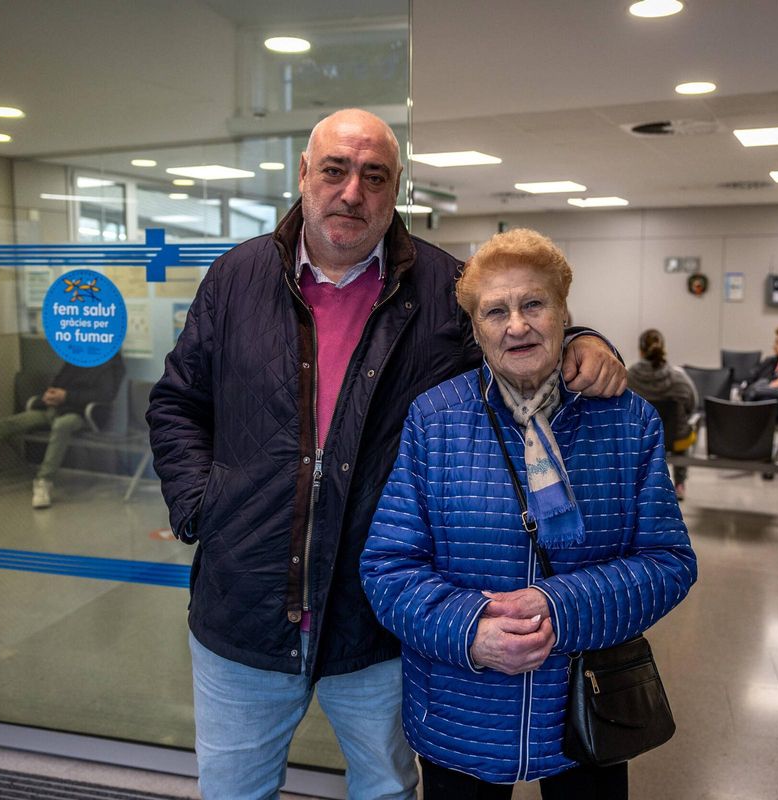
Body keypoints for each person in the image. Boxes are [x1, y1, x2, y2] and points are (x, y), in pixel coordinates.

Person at [146, 109, 628, 800]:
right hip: (242, 608)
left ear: (395, 187)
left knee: (387, 791)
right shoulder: (236, 278)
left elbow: (519, 337)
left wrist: (583, 336)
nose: (352, 193)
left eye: (374, 177)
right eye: (336, 171)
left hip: (378, 625)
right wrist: (204, 508)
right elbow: (177, 404)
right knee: (232, 791)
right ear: (305, 176)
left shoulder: (443, 290)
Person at [360, 229, 696, 798]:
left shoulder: (627, 420)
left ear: (565, 312)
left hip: (587, 708)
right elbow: (387, 567)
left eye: (533, 303)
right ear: (475, 329)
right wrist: (471, 630)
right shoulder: (435, 418)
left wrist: (557, 606)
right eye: (495, 311)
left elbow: (669, 562)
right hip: (462, 710)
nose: (516, 325)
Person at [0, 353, 124, 509]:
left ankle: (43, 482)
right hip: (54, 408)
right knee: (2, 425)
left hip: (83, 415)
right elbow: (59, 381)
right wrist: (51, 394)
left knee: (62, 425)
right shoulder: (76, 354)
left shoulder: (111, 360)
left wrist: (67, 396)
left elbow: (105, 395)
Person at [627, 328, 698, 500]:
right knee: (683, 431)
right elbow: (692, 405)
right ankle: (679, 484)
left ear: (640, 351)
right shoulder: (679, 378)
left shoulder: (628, 377)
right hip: (675, 440)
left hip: (640, 439)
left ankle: (641, 483)